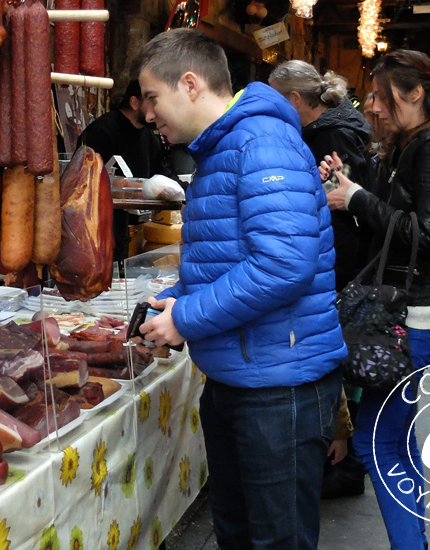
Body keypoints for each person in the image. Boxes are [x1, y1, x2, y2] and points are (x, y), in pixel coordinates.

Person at [135, 29, 345, 550]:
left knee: (276, 540)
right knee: (238, 534)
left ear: (190, 83)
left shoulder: (261, 142)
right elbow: (228, 258)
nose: (146, 114)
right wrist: (180, 297)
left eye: (152, 98)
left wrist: (185, 318)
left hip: (279, 390)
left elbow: (283, 264)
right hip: (242, 380)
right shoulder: (223, 148)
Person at [321, 49, 430, 550]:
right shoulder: (412, 142)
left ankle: (411, 544)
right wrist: (352, 188)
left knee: (375, 439)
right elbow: (396, 218)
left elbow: (426, 234)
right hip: (410, 305)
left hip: (419, 311)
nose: (373, 108)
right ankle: (415, 538)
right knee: (398, 435)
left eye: (382, 97)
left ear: (415, 94)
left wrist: (356, 199)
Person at [269, 61, 375, 289]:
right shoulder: (323, 130)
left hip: (340, 254)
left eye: (276, 99)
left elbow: (344, 195)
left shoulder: (333, 135)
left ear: (295, 99)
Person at [76, 80, 169, 262]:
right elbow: (81, 182)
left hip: (136, 230)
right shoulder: (101, 131)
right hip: (97, 232)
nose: (157, 110)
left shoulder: (150, 137)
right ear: (135, 103)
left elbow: (160, 172)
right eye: (152, 102)